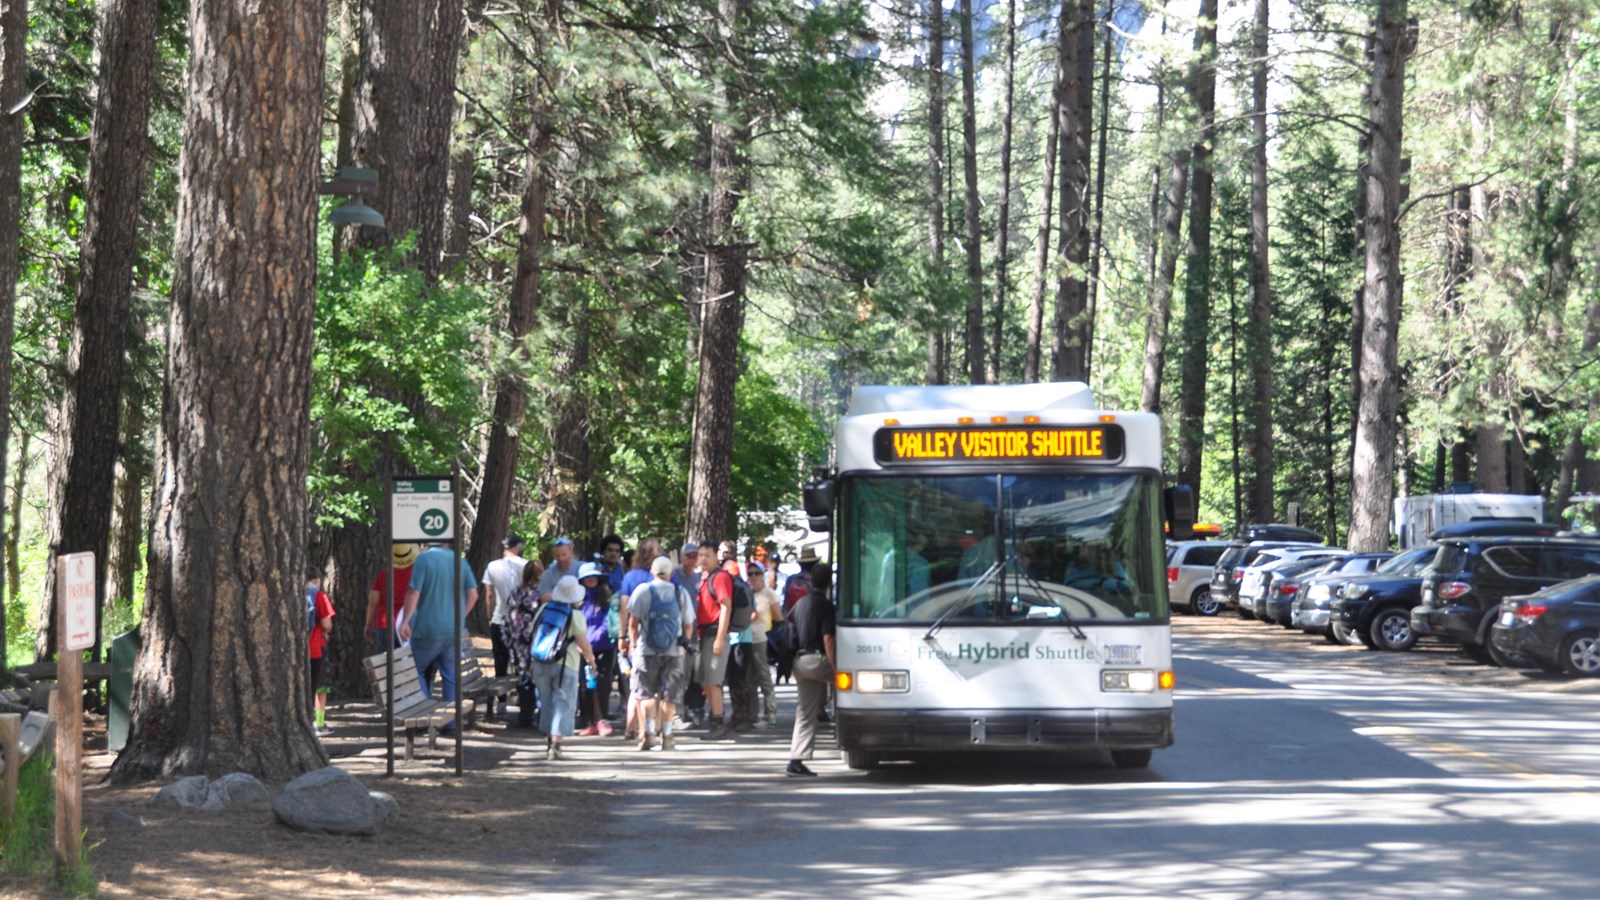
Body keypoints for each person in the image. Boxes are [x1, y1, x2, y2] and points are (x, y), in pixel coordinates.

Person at [628, 556, 696, 750]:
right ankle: (667, 736)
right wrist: (683, 646)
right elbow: (688, 624)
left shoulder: (642, 591)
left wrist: (633, 646)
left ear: (652, 572)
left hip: (646, 650)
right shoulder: (680, 592)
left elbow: (633, 624)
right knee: (669, 696)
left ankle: (649, 734)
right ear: (671, 574)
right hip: (673, 651)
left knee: (646, 693)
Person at [399, 541, 479, 704]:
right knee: (450, 676)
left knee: (416, 671)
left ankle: (423, 715)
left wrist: (405, 621)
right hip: (453, 630)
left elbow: (414, 592)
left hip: (427, 628)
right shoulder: (460, 561)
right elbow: (473, 595)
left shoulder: (424, 559)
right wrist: (459, 616)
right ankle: (451, 724)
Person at [531, 576, 597, 760]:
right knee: (563, 703)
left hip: (541, 662)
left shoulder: (544, 609)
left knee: (546, 702)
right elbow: (583, 643)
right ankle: (556, 745)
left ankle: (548, 742)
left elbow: (534, 633)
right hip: (565, 665)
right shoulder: (575, 615)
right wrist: (591, 660)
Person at [786, 563, 835, 777]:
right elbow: (828, 639)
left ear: (811, 581)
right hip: (817, 660)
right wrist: (836, 668)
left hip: (799, 661)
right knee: (854, 681)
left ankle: (796, 761)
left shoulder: (800, 604)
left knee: (805, 712)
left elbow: (789, 625)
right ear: (829, 583)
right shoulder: (825, 605)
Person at [617, 538, 663, 739]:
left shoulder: (630, 577)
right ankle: (654, 726)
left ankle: (631, 727)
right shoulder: (665, 577)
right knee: (657, 685)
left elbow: (624, 609)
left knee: (637, 683)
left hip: (638, 637)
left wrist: (623, 636)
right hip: (660, 638)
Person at [694, 540, 735, 739]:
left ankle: (718, 721)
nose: (703, 558)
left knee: (713, 680)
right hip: (704, 635)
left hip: (715, 634)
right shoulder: (704, 577)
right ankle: (715, 717)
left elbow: (726, 607)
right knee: (704, 679)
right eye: (700, 555)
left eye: (707, 555)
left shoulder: (720, 578)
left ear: (715, 557)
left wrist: (720, 638)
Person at [504, 558, 545, 729]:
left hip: (519, 640)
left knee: (525, 676)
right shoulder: (542, 593)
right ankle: (542, 716)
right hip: (539, 640)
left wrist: (510, 638)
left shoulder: (516, 592)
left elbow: (509, 616)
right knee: (540, 677)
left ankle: (525, 716)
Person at [575, 561, 616, 736]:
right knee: (585, 685)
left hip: (604, 647)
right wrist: (581, 644)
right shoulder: (577, 599)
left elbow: (609, 622)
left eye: (593, 577)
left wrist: (592, 641)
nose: (590, 580)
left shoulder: (607, 597)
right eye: (586, 578)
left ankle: (602, 719)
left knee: (603, 683)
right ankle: (589, 721)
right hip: (582, 649)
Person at [481, 533, 529, 679]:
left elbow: (489, 594)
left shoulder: (492, 566)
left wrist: (490, 616)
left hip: (499, 619)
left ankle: (501, 699)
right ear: (517, 546)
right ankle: (521, 695)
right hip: (520, 620)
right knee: (521, 660)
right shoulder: (527, 565)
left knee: (500, 660)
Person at [746, 560, 783, 728]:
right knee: (749, 679)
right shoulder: (745, 593)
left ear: (763, 575)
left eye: (757, 573)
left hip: (761, 639)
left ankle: (771, 713)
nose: (753, 577)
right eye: (750, 573)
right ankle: (752, 714)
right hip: (745, 638)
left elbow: (778, 617)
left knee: (764, 676)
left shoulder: (769, 594)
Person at [364, 543, 418, 656]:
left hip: (385, 625)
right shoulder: (416, 576)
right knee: (409, 665)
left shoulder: (383, 575)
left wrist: (369, 624)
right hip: (409, 625)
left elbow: (373, 602)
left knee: (387, 664)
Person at [306, 572, 336, 735]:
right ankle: (319, 723)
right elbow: (327, 624)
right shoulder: (318, 596)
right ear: (316, 580)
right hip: (316, 647)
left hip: (299, 649)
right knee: (320, 687)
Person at [538, 536, 581, 601]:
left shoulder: (582, 568)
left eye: (564, 555)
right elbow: (544, 598)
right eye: (557, 555)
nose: (561, 558)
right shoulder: (548, 575)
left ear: (571, 553)